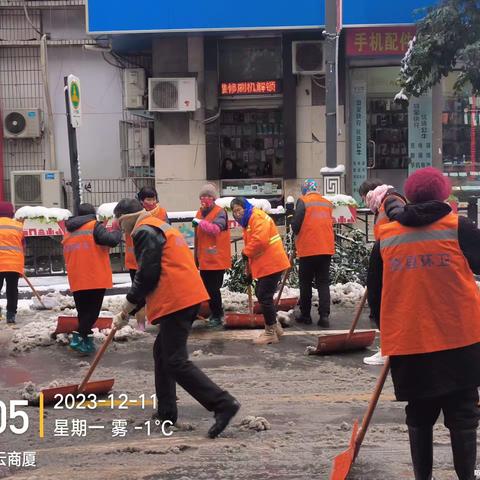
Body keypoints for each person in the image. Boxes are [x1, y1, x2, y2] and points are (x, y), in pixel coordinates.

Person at [367, 167, 480, 480]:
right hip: (461, 339)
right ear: (443, 194)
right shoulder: (459, 227)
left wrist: (385, 326)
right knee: (463, 415)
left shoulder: (387, 236)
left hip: (409, 340)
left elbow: (374, 292)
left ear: (411, 196)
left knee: (419, 414)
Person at [112, 198, 240, 438]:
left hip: (177, 298)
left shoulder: (143, 231)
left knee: (175, 360)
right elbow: (153, 272)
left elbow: (147, 275)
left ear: (126, 218)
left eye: (120, 224)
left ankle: (222, 404)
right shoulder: (156, 225)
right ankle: (166, 412)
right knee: (162, 354)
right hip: (185, 295)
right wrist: (127, 312)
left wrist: (126, 309)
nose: (121, 230)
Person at [63, 203, 121, 355]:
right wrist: (116, 230)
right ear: (92, 214)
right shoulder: (93, 225)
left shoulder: (69, 229)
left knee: (83, 313)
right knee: (92, 312)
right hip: (94, 276)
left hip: (77, 277)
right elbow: (111, 240)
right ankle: (78, 338)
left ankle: (87, 344)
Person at [359, 178, 406, 365]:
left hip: (391, 263)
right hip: (386, 260)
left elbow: (400, 223)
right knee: (382, 306)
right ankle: (389, 346)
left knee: (384, 306)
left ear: (371, 193)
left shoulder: (391, 200)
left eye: (363, 197)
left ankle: (389, 348)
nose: (364, 202)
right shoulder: (384, 203)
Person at [230, 197, 290, 345]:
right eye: (234, 212)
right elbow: (253, 249)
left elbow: (260, 241)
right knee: (263, 295)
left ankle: (270, 332)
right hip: (268, 263)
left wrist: (246, 252)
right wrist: (249, 273)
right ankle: (275, 328)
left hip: (272, 262)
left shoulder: (256, 217)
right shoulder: (249, 222)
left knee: (264, 295)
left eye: (239, 210)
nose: (237, 214)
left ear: (246, 207)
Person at [291, 179, 334, 328]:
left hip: (308, 249)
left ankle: (305, 315)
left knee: (305, 283)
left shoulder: (303, 201)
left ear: (305, 190)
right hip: (326, 249)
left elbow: (296, 226)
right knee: (323, 283)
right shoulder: (327, 203)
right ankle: (324, 317)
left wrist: (292, 223)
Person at [124, 186, 169, 330]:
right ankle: (140, 323)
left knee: (158, 292)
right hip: (134, 260)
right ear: (141, 201)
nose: (152, 202)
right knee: (140, 294)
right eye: (148, 199)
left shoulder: (162, 213)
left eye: (153, 198)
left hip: (156, 258)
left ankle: (156, 318)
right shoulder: (132, 213)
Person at [193, 184, 231, 328]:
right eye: (203, 196)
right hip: (204, 259)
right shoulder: (199, 213)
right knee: (205, 289)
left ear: (214, 198)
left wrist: (201, 223)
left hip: (216, 259)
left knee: (213, 289)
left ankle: (217, 314)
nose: (205, 199)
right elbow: (198, 238)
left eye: (209, 196)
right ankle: (213, 312)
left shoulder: (219, 212)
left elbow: (215, 229)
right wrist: (195, 257)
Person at [0, 202, 24, 324]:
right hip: (14, 264)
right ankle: (10, 315)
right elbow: (22, 244)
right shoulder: (18, 226)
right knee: (12, 289)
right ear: (12, 213)